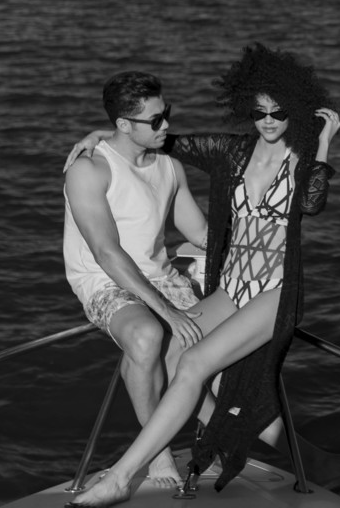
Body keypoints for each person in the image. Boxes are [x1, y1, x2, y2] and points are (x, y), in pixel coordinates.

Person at [66, 44, 340, 507]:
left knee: (196, 365)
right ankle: (295, 456)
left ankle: (122, 475)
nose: (269, 120)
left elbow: (311, 203)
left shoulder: (302, 158)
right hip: (231, 287)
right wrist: (101, 132)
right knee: (169, 358)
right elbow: (157, 140)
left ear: (295, 108)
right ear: (246, 109)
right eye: (259, 111)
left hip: (276, 292)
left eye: (279, 111)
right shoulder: (231, 151)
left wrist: (321, 142)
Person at [62, 71, 208, 488]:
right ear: (123, 125)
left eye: (168, 115)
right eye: (156, 121)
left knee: (218, 349)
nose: (167, 127)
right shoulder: (89, 170)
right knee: (147, 336)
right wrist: (167, 313)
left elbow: (199, 234)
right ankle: (157, 451)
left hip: (160, 276)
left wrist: (262, 244)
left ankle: (290, 450)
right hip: (104, 278)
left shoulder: (170, 167)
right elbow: (107, 253)